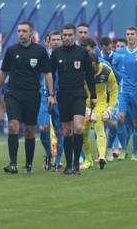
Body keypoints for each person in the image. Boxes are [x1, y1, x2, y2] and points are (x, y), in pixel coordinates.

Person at [0, 22, 54, 174]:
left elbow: (47, 73)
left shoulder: (39, 51)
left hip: (32, 95)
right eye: (19, 31)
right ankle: (12, 163)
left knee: (30, 130)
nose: (21, 33)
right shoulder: (12, 50)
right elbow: (3, 73)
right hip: (13, 94)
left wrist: (51, 95)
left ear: (31, 33)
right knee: (13, 126)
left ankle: (28, 165)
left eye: (24, 31)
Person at [50, 23, 97, 175]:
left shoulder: (82, 52)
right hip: (63, 95)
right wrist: (50, 94)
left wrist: (94, 95)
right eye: (65, 35)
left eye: (70, 35)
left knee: (78, 127)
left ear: (75, 35)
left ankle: (77, 163)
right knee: (66, 130)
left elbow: (90, 75)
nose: (67, 38)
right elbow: (49, 74)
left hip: (78, 94)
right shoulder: (56, 53)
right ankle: (69, 165)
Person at [112, 27, 137, 161]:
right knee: (120, 118)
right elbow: (112, 71)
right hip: (123, 92)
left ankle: (134, 153)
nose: (129, 36)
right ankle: (123, 149)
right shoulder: (119, 53)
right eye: (127, 34)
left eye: (132, 34)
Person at [82, 52, 118, 170]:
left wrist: (110, 108)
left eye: (93, 67)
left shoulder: (106, 70)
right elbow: (77, 89)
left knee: (99, 125)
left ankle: (102, 157)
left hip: (100, 102)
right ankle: (88, 160)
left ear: (98, 63)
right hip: (84, 101)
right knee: (82, 131)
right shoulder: (81, 70)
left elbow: (114, 90)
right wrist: (86, 109)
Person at [37, 30, 63, 171]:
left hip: (62, 98)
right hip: (43, 97)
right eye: (52, 39)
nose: (55, 41)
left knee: (61, 130)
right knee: (43, 128)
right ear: (48, 41)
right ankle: (49, 154)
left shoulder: (67, 56)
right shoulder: (42, 57)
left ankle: (58, 161)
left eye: (58, 39)